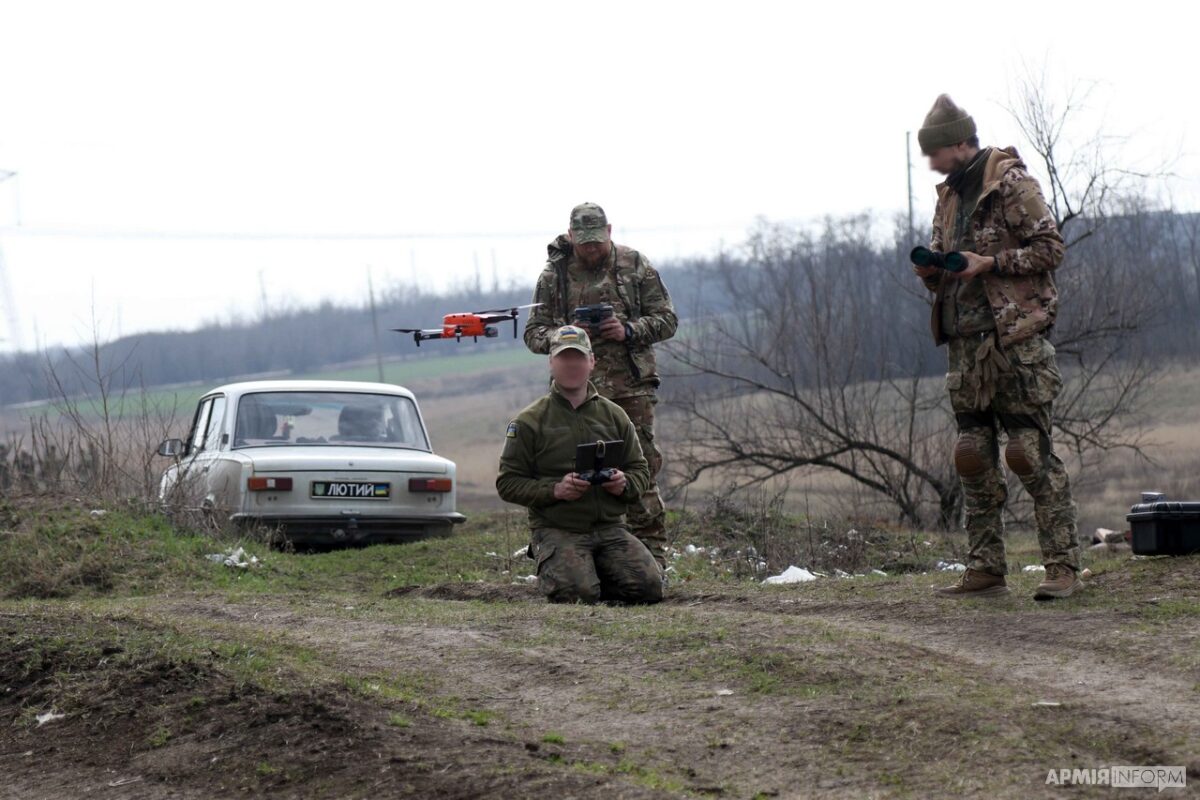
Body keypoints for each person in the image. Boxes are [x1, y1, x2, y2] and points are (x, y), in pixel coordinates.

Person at [913, 94, 1082, 600]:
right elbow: (947, 264)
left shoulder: (1011, 183)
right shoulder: (949, 196)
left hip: (1014, 342)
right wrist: (932, 270)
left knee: (1028, 453)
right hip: (965, 345)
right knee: (973, 455)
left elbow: (1050, 249)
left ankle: (1063, 567)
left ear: (959, 143)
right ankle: (986, 569)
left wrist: (991, 263)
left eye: (935, 152)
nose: (931, 162)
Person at [524, 202, 677, 568]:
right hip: (574, 392)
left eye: (597, 241)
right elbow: (533, 333)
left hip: (630, 389)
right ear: (572, 236)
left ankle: (651, 561)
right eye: (584, 243)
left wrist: (628, 330)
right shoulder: (554, 275)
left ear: (609, 232)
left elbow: (667, 320)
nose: (591, 249)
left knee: (639, 469)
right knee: (571, 471)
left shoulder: (634, 265)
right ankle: (576, 557)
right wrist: (566, 336)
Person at [497, 325, 662, 605]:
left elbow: (640, 470)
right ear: (551, 363)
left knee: (649, 589)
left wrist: (624, 483)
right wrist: (555, 490)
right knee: (576, 595)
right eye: (564, 358)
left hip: (609, 528)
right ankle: (569, 571)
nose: (572, 365)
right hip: (559, 528)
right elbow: (508, 483)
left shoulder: (615, 415)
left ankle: (596, 571)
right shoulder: (529, 421)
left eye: (579, 357)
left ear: (592, 362)